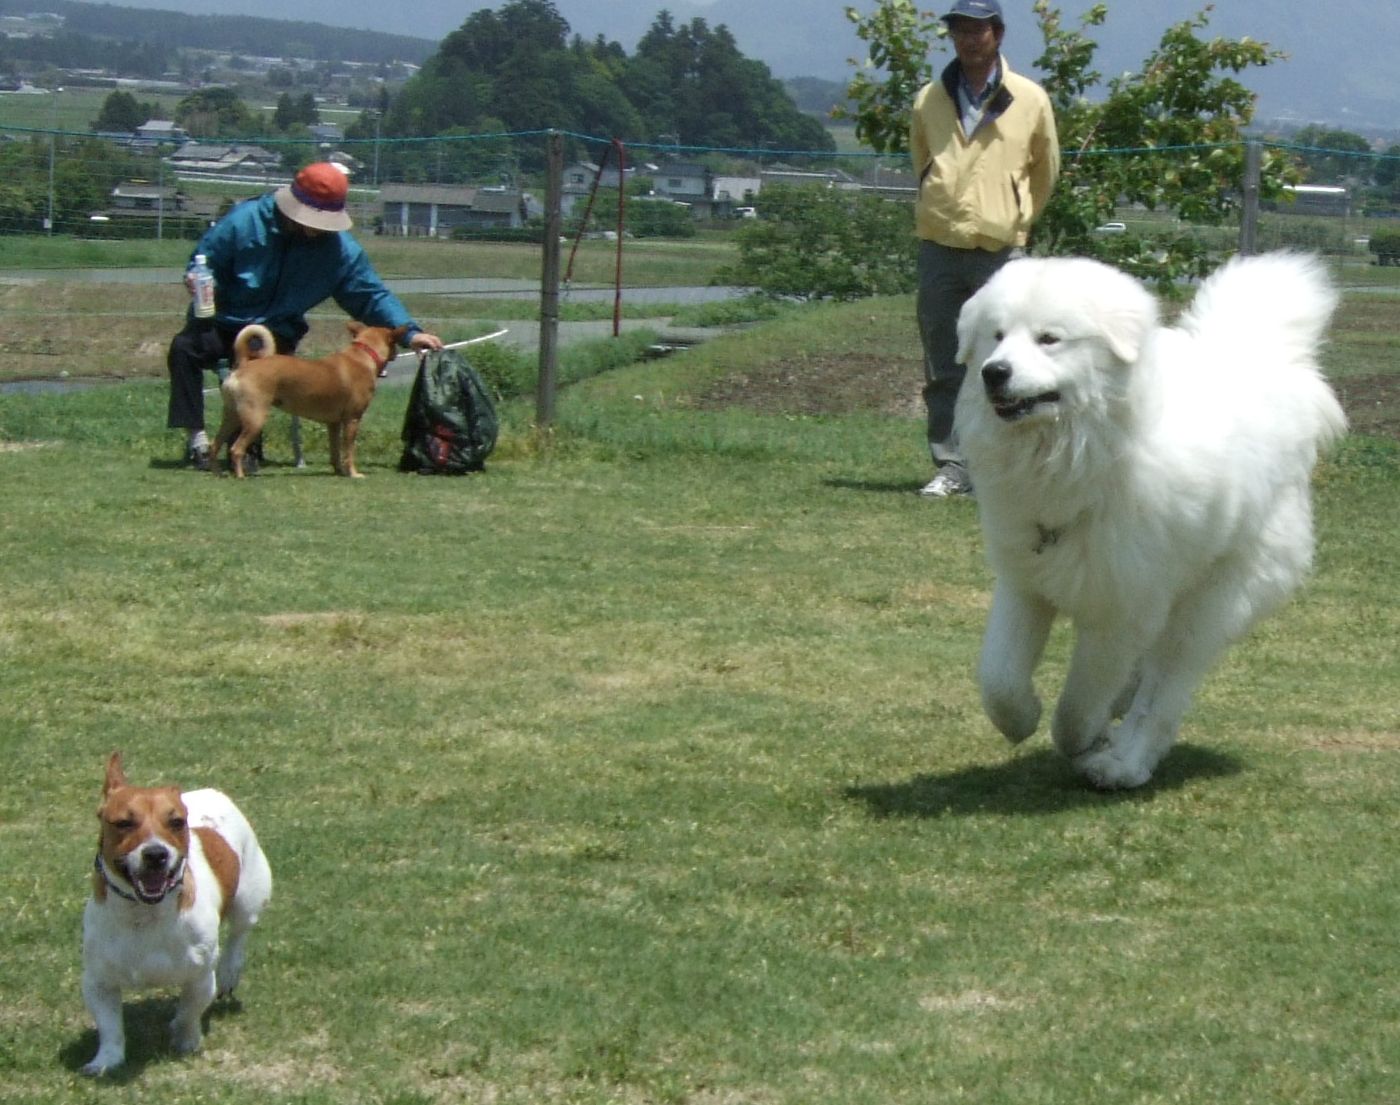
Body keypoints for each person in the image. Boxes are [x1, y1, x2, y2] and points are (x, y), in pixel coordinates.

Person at [166, 161, 444, 470]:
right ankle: (198, 440)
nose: (317, 229)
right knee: (184, 349)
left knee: (268, 371)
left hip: (276, 329)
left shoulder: (339, 251)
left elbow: (370, 295)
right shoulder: (244, 221)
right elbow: (205, 260)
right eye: (313, 220)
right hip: (222, 319)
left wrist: (410, 333)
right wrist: (196, 278)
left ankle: (245, 448)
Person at [910, 0, 1059, 496]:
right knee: (943, 361)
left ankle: (1004, 471)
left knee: (1006, 363)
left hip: (1000, 251)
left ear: (997, 34)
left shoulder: (1030, 98)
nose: (969, 40)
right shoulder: (930, 98)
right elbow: (922, 161)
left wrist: (1016, 217)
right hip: (939, 245)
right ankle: (952, 466)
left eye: (978, 30)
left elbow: (1045, 169)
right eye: (959, 30)